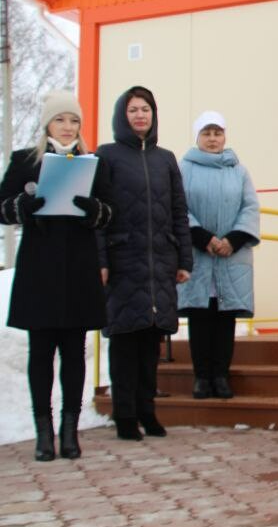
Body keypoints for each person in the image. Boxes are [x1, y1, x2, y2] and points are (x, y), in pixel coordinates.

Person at [0, 90, 112, 461]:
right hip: (40, 271)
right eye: (60, 119)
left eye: (74, 120)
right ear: (47, 123)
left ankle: (69, 431)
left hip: (78, 270)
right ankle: (43, 433)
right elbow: (1, 207)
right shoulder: (25, 161)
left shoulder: (91, 164)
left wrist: (94, 210)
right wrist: (22, 206)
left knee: (74, 353)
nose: (67, 127)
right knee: (41, 353)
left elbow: (110, 211)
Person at [96, 86, 192, 440]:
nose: (140, 115)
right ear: (122, 116)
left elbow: (179, 211)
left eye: (145, 109)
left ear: (154, 115)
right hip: (123, 261)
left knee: (152, 343)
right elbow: (98, 215)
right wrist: (101, 260)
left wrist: (184, 258)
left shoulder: (165, 158)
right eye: (133, 110)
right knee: (124, 342)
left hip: (160, 263)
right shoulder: (106, 156)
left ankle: (147, 411)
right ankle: (124, 415)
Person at [178, 111, 260, 400]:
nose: (213, 139)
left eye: (217, 133)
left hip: (230, 256)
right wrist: (203, 237)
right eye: (206, 133)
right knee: (200, 317)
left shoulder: (239, 171)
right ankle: (202, 377)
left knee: (225, 319)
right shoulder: (183, 168)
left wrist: (233, 240)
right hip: (198, 254)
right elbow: (178, 207)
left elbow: (250, 207)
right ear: (197, 137)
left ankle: (221, 377)